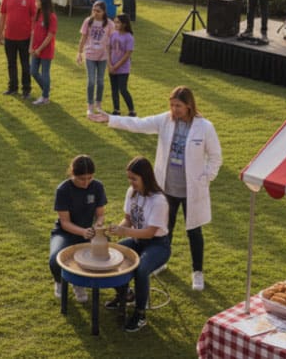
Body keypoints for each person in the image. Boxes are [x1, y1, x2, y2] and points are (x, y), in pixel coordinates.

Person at [90, 86, 222, 291]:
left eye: (178, 105)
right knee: (163, 228)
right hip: (167, 188)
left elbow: (215, 157)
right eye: (171, 105)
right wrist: (111, 120)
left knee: (194, 232)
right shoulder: (165, 121)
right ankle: (160, 261)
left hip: (191, 190)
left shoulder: (205, 127)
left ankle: (197, 271)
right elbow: (140, 123)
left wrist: (205, 178)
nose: (174, 109)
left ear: (189, 105)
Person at [104, 156, 171, 333]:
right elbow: (128, 219)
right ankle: (124, 294)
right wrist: (114, 229)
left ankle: (140, 314)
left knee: (141, 269)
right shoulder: (131, 192)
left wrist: (124, 231)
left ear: (145, 177)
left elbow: (149, 232)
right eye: (129, 178)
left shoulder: (158, 201)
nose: (131, 182)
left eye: (134, 179)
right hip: (137, 239)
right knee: (111, 253)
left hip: (158, 245)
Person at [49, 154, 107, 303]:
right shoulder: (63, 190)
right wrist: (82, 232)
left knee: (105, 254)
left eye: (90, 178)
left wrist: (97, 226)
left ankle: (79, 284)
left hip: (90, 231)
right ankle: (60, 282)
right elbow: (65, 222)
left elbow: (100, 215)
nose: (86, 183)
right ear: (72, 174)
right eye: (82, 179)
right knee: (55, 259)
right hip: (66, 233)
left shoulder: (98, 186)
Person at [0, 0, 37, 97]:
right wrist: (0, 33)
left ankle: (26, 89)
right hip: (9, 37)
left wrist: (33, 35)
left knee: (25, 64)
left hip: (25, 38)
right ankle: (13, 87)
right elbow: (2, 16)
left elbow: (34, 18)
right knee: (11, 63)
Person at [77, 1, 114, 116]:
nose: (95, 13)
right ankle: (90, 105)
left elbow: (112, 42)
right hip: (90, 55)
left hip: (103, 56)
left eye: (98, 11)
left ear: (104, 12)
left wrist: (111, 57)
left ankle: (98, 104)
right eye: (94, 10)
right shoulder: (88, 21)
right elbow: (83, 38)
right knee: (91, 81)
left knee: (100, 81)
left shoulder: (109, 24)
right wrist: (79, 52)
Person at [30, 0, 57, 106]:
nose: (36, 3)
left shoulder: (51, 17)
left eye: (38, 1)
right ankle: (46, 88)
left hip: (45, 50)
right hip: (35, 49)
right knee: (33, 71)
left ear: (44, 2)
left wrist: (40, 49)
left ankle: (45, 97)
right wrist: (31, 46)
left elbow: (50, 36)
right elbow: (33, 31)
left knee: (45, 72)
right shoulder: (37, 13)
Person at [109, 14, 136, 117]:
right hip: (112, 67)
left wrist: (116, 66)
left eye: (118, 22)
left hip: (123, 69)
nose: (115, 24)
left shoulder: (129, 37)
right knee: (114, 89)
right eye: (115, 22)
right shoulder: (113, 34)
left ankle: (132, 110)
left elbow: (127, 54)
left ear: (124, 24)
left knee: (122, 89)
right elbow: (109, 49)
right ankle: (116, 109)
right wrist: (109, 64)